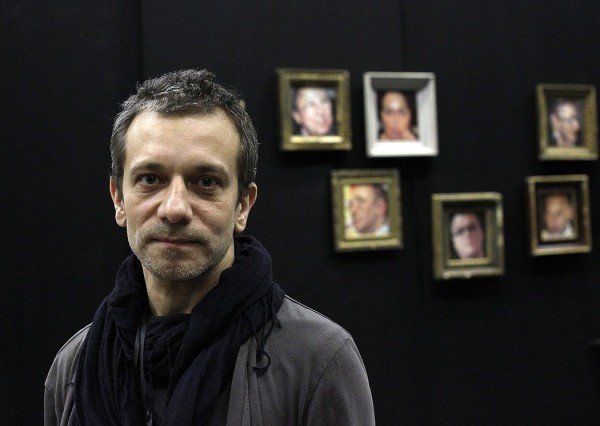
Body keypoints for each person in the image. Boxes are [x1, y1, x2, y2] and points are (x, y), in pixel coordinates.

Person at [44, 70, 375, 425]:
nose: (174, 209)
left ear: (243, 205)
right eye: (150, 179)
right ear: (118, 199)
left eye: (205, 182)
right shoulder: (74, 366)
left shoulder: (318, 360)